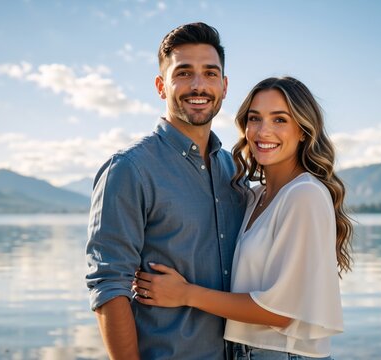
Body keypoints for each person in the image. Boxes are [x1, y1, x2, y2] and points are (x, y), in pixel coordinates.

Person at [134, 76, 354, 359]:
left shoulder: (305, 195)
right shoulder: (254, 196)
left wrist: (186, 294)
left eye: (280, 120)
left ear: (303, 130)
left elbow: (283, 312)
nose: (264, 131)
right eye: (255, 118)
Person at [85, 22, 245, 360]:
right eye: (184, 73)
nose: (199, 85)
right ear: (161, 86)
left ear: (225, 86)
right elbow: (109, 285)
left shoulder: (236, 172)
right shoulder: (129, 168)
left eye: (210, 73)